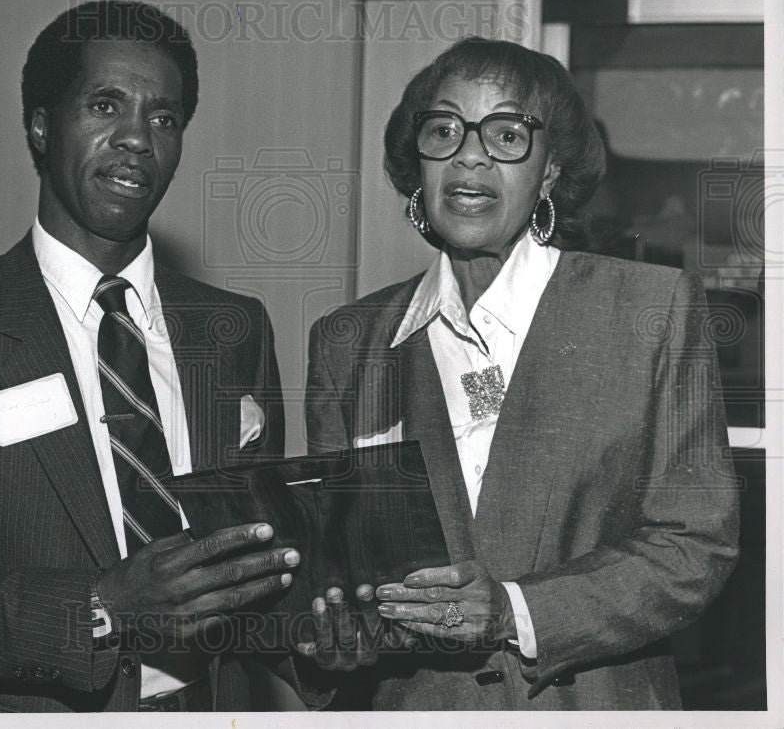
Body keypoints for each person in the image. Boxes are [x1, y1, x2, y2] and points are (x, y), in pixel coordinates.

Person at [0, 0, 299, 713]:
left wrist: (326, 631)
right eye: (105, 105)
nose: (137, 139)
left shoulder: (234, 328)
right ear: (41, 125)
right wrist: (101, 606)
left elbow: (252, 570)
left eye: (164, 118)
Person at [297, 36, 740, 709]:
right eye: (444, 129)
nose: (469, 154)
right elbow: (339, 571)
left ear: (551, 169)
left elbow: (694, 545)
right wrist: (333, 641)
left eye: (506, 134)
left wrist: (515, 611)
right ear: (418, 164)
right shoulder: (348, 342)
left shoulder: (651, 310)